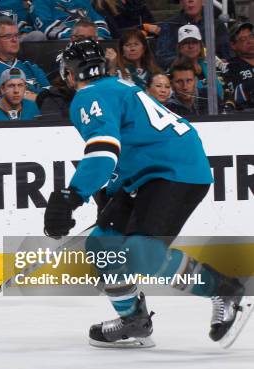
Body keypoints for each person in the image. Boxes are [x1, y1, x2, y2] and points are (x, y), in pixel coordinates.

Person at [43, 39, 251, 348]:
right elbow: (132, 143)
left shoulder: (88, 96)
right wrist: (111, 190)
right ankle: (134, 321)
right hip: (152, 173)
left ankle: (224, 290)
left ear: (71, 74)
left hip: (173, 173)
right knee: (102, 243)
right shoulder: (120, 87)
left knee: (143, 252)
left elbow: (103, 151)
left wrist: (70, 196)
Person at [0, 16, 50, 106]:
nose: (14, 40)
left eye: (16, 35)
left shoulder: (31, 66)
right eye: (8, 36)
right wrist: (36, 97)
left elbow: (51, 98)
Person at [154, 0, 231, 69]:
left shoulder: (217, 25)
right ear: (181, 2)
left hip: (213, 74)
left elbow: (228, 56)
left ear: (203, 1)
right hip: (181, 74)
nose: (190, 0)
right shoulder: (169, 25)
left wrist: (222, 62)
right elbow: (162, 59)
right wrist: (191, 61)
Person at [175, 24, 223, 101]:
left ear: (200, 45)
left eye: (194, 42)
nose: (191, 46)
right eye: (186, 43)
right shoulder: (176, 71)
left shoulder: (211, 64)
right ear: (180, 48)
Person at [30, 0, 111, 40]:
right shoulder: (40, 2)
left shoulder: (83, 1)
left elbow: (100, 22)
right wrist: (79, 36)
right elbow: (47, 26)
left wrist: (97, 35)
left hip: (91, 40)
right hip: (62, 44)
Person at [224, 21, 254, 109]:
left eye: (251, 36)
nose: (250, 41)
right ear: (233, 45)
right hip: (246, 116)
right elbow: (234, 96)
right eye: (243, 39)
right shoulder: (230, 67)